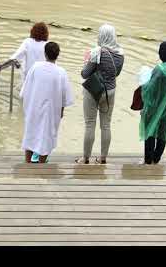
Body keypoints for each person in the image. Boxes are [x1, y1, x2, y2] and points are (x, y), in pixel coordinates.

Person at [76, 24, 124, 165]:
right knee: (106, 125)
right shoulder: (120, 54)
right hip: (110, 91)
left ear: (101, 36)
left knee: (90, 124)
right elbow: (117, 73)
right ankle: (103, 158)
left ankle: (85, 158)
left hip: (93, 91)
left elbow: (85, 74)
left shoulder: (97, 52)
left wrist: (86, 60)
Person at [20, 41, 74, 163]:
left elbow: (26, 89)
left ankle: (27, 163)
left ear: (45, 53)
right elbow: (65, 97)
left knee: (31, 134)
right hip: (51, 111)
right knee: (47, 137)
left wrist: (27, 106)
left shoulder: (35, 67)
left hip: (34, 107)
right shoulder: (61, 72)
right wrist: (61, 112)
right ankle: (41, 164)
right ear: (57, 55)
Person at [140, 41, 166, 164]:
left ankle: (148, 160)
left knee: (150, 131)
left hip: (154, 106)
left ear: (162, 53)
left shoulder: (159, 69)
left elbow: (149, 88)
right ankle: (156, 159)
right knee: (163, 133)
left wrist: (143, 83)